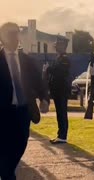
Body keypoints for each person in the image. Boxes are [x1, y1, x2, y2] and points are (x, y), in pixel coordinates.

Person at [0, 22, 50, 180]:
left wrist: (44, 98)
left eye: (16, 33)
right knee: (4, 148)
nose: (14, 36)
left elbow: (38, 82)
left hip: (23, 111)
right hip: (3, 112)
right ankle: (7, 175)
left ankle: (6, 172)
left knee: (20, 145)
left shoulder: (27, 60)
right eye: (10, 33)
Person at [45, 36, 71, 144]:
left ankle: (62, 136)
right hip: (57, 89)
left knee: (62, 112)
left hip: (61, 89)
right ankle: (60, 134)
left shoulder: (64, 59)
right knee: (59, 113)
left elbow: (60, 73)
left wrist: (48, 69)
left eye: (58, 44)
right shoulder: (59, 58)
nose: (56, 46)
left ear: (63, 46)